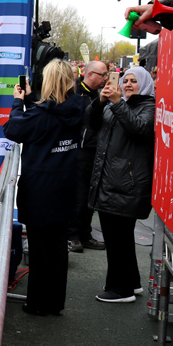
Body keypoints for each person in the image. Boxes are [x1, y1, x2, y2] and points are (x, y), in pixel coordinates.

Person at [4, 60, 87, 316]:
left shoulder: (40, 115)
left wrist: (18, 103)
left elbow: (13, 129)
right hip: (66, 186)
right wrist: (32, 99)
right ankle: (54, 302)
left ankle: (39, 303)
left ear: (48, 81)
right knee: (58, 246)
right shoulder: (79, 108)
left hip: (40, 188)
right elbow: (51, 112)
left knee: (40, 249)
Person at [88, 66, 156, 303]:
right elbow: (92, 123)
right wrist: (100, 102)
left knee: (118, 238)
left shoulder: (149, 106)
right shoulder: (115, 104)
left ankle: (121, 289)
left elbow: (140, 129)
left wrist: (117, 104)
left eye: (134, 81)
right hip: (110, 182)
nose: (127, 84)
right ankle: (131, 282)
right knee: (119, 237)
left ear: (145, 84)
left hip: (126, 184)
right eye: (125, 80)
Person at [68, 61, 109, 253]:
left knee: (91, 194)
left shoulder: (97, 94)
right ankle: (73, 235)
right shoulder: (76, 92)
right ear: (90, 74)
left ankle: (85, 234)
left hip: (95, 149)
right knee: (79, 194)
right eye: (103, 75)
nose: (106, 79)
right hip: (80, 150)